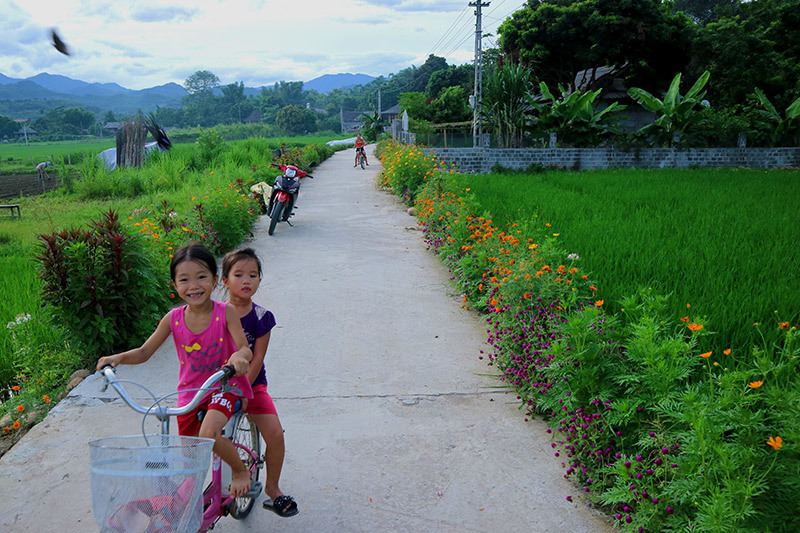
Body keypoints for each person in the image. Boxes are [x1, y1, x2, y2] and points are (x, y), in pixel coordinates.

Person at [96, 244, 254, 498]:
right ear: (174, 285)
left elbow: (245, 348)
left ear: (215, 280)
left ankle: (239, 470)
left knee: (208, 434)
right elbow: (145, 352)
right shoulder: (173, 318)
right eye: (184, 280)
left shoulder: (226, 312)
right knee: (191, 460)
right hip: (191, 395)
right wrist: (118, 358)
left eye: (202, 277)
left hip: (223, 387)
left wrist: (239, 358)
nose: (194, 286)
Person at [221, 247, 299, 518]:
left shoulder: (262, 317)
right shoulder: (213, 315)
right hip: (217, 388)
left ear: (260, 281)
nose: (246, 281)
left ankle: (273, 488)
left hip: (252, 386)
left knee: (275, 435)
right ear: (224, 280)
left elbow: (258, 357)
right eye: (239, 274)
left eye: (253, 275)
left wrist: (244, 390)